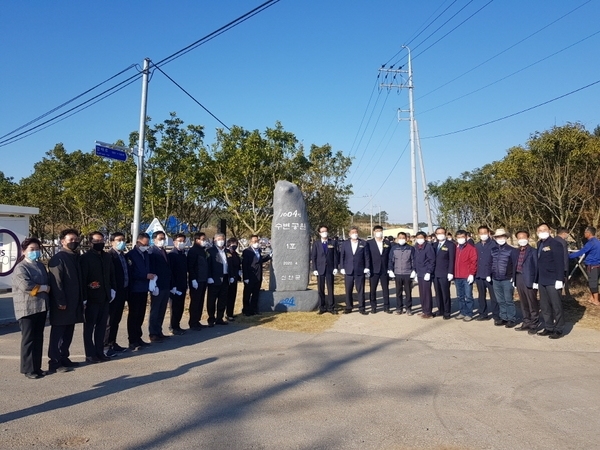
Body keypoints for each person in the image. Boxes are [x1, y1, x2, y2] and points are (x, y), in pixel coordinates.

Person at [12, 238, 49, 379]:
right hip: (26, 308)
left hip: (41, 307)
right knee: (28, 339)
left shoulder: (39, 265)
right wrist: (44, 288)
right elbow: (26, 287)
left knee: (38, 338)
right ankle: (28, 369)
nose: (35, 252)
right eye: (31, 249)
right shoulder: (21, 268)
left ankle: (37, 367)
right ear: (24, 251)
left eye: (37, 249)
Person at [47, 228, 84, 373]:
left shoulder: (75, 257)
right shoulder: (59, 258)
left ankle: (64, 357)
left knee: (69, 331)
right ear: (63, 241)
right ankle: (54, 362)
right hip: (62, 304)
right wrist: (60, 301)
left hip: (74, 303)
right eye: (71, 240)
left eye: (76, 240)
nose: (74, 242)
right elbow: (56, 283)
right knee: (58, 333)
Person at [80, 231, 116, 363]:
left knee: (102, 326)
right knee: (89, 327)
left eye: (101, 241)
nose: (99, 243)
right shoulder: (85, 258)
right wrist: (84, 297)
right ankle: (90, 354)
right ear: (90, 243)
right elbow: (83, 279)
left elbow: (112, 274)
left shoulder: (106, 257)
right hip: (91, 298)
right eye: (96, 241)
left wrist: (113, 289)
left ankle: (100, 352)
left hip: (105, 297)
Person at [535, 223, 566, 339]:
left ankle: (559, 329)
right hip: (542, 280)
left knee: (556, 305)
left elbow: (559, 262)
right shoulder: (539, 244)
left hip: (553, 279)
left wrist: (559, 279)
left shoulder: (555, 244)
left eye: (544, 229)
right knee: (544, 305)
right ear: (537, 232)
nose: (542, 231)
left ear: (550, 231)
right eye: (540, 230)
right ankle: (548, 327)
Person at [126, 232, 156, 351]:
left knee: (141, 314)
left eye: (148, 244)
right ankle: (132, 340)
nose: (146, 246)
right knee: (134, 315)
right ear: (138, 242)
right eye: (144, 244)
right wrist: (145, 275)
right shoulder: (131, 255)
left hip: (144, 288)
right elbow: (131, 272)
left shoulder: (146, 254)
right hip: (135, 289)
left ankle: (138, 338)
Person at [105, 232, 129, 357]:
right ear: (112, 242)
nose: (121, 242)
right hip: (114, 292)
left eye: (123, 240)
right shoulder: (110, 256)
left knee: (117, 319)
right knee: (110, 320)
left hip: (123, 291)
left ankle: (113, 342)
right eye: (118, 240)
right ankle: (106, 345)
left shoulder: (123, 255)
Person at [512, 230, 539, 334]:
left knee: (532, 301)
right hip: (519, 277)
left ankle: (534, 324)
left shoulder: (533, 251)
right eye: (519, 238)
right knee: (523, 302)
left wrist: (536, 280)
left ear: (528, 238)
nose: (521, 239)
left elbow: (536, 267)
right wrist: (513, 279)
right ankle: (526, 322)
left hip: (529, 278)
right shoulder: (516, 251)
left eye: (523, 237)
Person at [340, 227, 371, 314]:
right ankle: (349, 307)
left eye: (356, 232)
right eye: (353, 232)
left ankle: (362, 308)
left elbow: (366, 256)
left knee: (360, 290)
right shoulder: (345, 244)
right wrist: (342, 267)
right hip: (348, 270)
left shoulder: (363, 243)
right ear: (349, 234)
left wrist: (367, 267)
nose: (355, 234)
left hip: (360, 270)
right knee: (348, 289)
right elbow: (342, 256)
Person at [148, 231, 172, 343]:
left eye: (164, 238)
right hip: (157, 285)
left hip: (165, 285)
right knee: (155, 310)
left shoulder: (163, 251)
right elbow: (151, 269)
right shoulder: (152, 252)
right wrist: (154, 286)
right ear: (154, 240)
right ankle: (153, 333)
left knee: (162, 309)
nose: (162, 240)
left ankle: (159, 331)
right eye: (160, 238)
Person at [490, 228, 517, 328]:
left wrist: (514, 278)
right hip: (496, 279)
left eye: (502, 236)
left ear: (506, 237)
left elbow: (514, 265)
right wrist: (490, 275)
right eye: (498, 237)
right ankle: (504, 317)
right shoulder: (493, 250)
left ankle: (511, 318)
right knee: (500, 300)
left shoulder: (512, 250)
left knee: (508, 300)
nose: (500, 238)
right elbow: (491, 263)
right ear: (495, 238)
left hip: (507, 279)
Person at [311, 225, 339, 315]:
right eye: (322, 231)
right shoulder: (316, 243)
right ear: (319, 233)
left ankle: (331, 307)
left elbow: (335, 256)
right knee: (321, 289)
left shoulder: (332, 242)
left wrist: (335, 267)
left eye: (326, 231)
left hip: (330, 269)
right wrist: (314, 268)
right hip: (320, 269)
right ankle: (322, 307)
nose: (324, 233)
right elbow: (314, 257)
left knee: (330, 288)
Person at [569, 226, 600, 306]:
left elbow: (581, 252)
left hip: (592, 265)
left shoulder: (591, 243)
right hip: (596, 265)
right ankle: (592, 298)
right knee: (592, 281)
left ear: (588, 233)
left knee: (593, 282)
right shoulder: (597, 241)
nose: (584, 234)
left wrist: (568, 256)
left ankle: (596, 300)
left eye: (585, 232)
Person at [242, 235, 272, 316]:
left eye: (257, 241)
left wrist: (269, 256)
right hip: (250, 276)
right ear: (251, 242)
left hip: (258, 276)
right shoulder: (247, 251)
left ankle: (254, 309)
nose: (256, 243)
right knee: (247, 294)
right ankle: (246, 310)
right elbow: (244, 265)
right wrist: (246, 277)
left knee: (256, 294)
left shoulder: (258, 250)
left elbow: (260, 260)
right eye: (255, 241)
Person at [206, 233, 232, 326]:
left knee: (222, 299)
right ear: (215, 240)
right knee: (211, 300)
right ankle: (211, 319)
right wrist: (209, 277)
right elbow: (208, 265)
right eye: (219, 239)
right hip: (214, 279)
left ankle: (219, 318)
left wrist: (231, 276)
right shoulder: (210, 251)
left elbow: (230, 264)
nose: (221, 241)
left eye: (222, 239)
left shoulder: (227, 251)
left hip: (225, 278)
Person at [387, 232, 416, 315]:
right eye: (400, 237)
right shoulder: (394, 248)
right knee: (398, 292)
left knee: (408, 292)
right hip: (397, 273)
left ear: (406, 238)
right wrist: (390, 270)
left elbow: (413, 260)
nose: (402, 239)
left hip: (407, 273)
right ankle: (399, 308)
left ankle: (408, 308)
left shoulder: (411, 248)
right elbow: (391, 260)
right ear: (397, 238)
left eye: (403, 237)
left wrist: (414, 270)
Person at [474, 226, 498, 321]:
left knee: (494, 296)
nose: (483, 235)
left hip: (490, 275)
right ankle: (483, 314)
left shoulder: (494, 244)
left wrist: (491, 272)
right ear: (478, 234)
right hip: (479, 275)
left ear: (488, 233)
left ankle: (497, 315)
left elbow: (495, 260)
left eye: (485, 232)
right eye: (481, 233)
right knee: (481, 296)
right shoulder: (476, 246)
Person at [187, 232, 210, 329]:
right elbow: (190, 266)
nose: (204, 241)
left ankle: (197, 320)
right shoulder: (193, 251)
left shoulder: (203, 250)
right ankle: (192, 322)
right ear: (197, 240)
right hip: (196, 280)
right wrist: (193, 279)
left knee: (200, 301)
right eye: (203, 239)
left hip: (203, 279)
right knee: (195, 301)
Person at [453, 230, 477, 321]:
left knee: (468, 296)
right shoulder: (455, 248)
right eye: (458, 237)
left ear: (466, 237)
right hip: (457, 276)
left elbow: (473, 262)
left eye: (462, 237)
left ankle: (469, 313)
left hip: (466, 276)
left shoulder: (471, 248)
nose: (460, 239)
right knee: (460, 296)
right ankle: (462, 312)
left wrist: (471, 274)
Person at [432, 227, 456, 320]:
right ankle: (440, 309)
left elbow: (452, 260)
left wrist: (450, 272)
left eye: (442, 233)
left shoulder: (450, 245)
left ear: (445, 234)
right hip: (435, 273)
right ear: (436, 234)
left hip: (445, 273)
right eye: (438, 233)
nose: (440, 234)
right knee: (438, 293)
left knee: (445, 293)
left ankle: (447, 311)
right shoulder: (434, 245)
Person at [367, 225, 391, 313]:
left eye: (380, 230)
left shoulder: (387, 243)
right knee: (373, 289)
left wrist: (389, 268)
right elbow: (367, 256)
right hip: (373, 269)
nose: (379, 232)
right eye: (377, 230)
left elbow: (389, 256)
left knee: (385, 288)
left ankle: (386, 306)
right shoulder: (369, 243)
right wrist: (367, 268)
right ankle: (373, 306)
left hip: (384, 269)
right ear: (374, 232)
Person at [168, 233, 188, 335]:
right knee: (174, 307)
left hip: (183, 284)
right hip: (175, 286)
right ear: (174, 242)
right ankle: (173, 326)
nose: (182, 243)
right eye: (179, 241)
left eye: (183, 241)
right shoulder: (172, 255)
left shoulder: (183, 254)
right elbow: (170, 272)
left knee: (180, 307)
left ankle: (177, 325)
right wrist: (173, 286)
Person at [413, 231, 435, 318]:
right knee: (421, 293)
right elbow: (414, 260)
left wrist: (429, 272)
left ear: (425, 238)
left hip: (426, 273)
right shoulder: (416, 247)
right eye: (418, 238)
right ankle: (424, 310)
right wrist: (414, 271)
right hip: (419, 273)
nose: (419, 239)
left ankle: (428, 312)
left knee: (426, 293)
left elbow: (432, 260)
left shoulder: (428, 247)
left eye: (421, 237)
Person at [226, 237, 242, 320]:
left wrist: (239, 272)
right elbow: (229, 266)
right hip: (229, 278)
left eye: (236, 245)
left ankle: (230, 313)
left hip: (235, 277)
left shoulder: (235, 254)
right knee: (228, 296)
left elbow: (238, 264)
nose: (235, 246)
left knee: (233, 296)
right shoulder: (227, 253)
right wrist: (231, 276)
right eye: (233, 245)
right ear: (229, 244)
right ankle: (227, 314)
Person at [555, 227, 570, 295]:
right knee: (560, 284)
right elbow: (565, 256)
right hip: (561, 267)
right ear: (564, 233)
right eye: (567, 234)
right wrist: (566, 269)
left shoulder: (553, 240)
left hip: (553, 267)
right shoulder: (563, 242)